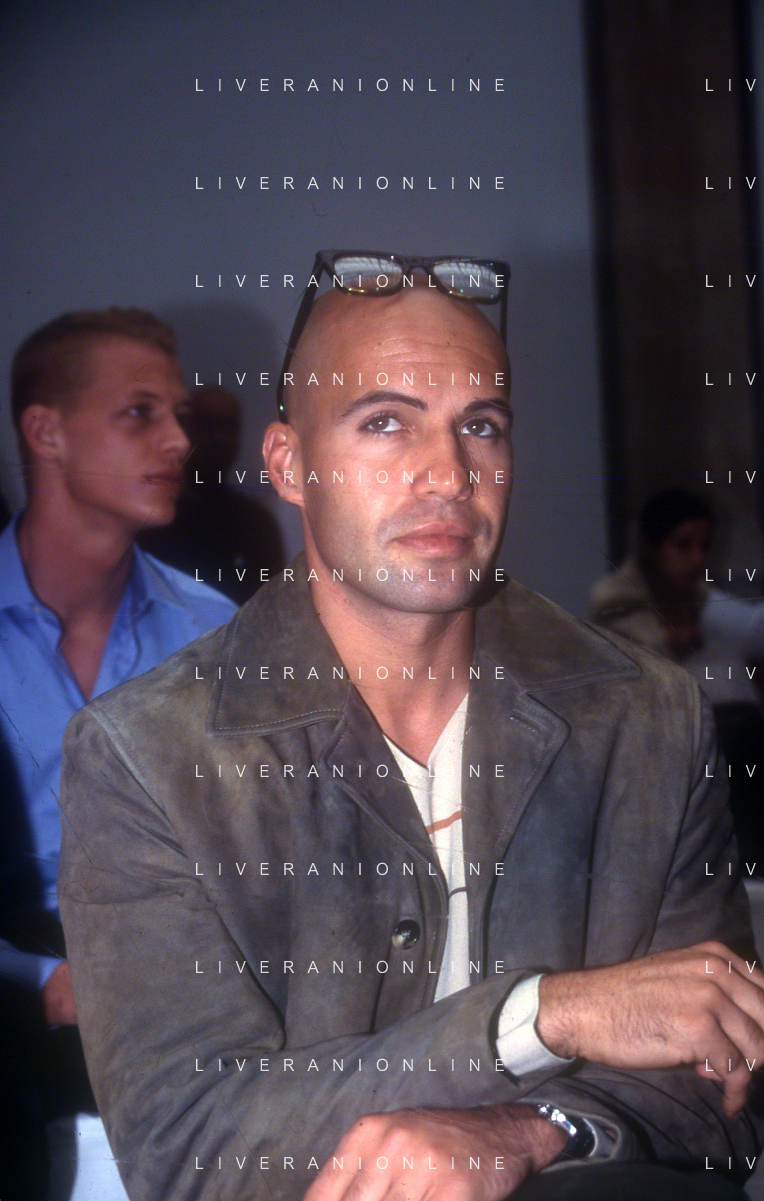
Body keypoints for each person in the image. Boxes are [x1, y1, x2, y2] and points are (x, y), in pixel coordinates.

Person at [59, 258, 764, 1201]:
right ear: (288, 465)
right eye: (385, 421)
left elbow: (724, 1086)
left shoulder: (647, 715)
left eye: (482, 425)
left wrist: (530, 1131)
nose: (448, 473)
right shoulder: (146, 756)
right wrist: (541, 1017)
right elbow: (187, 1143)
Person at [0, 308, 237, 1200]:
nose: (179, 440)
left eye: (178, 415)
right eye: (140, 413)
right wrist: (45, 985)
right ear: (46, 430)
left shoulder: (214, 631)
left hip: (191, 1033)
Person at [589, 488, 764, 862]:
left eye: (705, 546)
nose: (697, 559)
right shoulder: (615, 602)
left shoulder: (702, 600)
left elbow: (752, 633)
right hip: (667, 762)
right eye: (683, 546)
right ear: (651, 545)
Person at [139, 384, 285, 604]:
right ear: (185, 429)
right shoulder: (152, 514)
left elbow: (272, 609)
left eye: (229, 427)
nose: (219, 437)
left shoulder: (256, 523)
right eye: (207, 424)